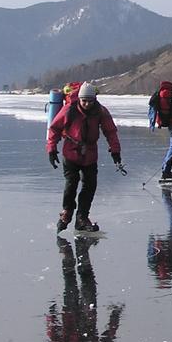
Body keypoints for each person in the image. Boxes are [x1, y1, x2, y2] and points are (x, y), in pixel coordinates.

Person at [47, 81, 122, 232]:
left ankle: (82, 217)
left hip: (90, 153)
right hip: (71, 152)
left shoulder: (100, 111)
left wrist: (115, 150)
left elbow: (110, 131)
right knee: (71, 183)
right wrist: (51, 148)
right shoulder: (69, 109)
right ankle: (67, 212)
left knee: (90, 185)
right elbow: (55, 128)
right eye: (84, 100)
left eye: (90, 100)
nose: (87, 104)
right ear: (79, 99)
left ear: (95, 99)